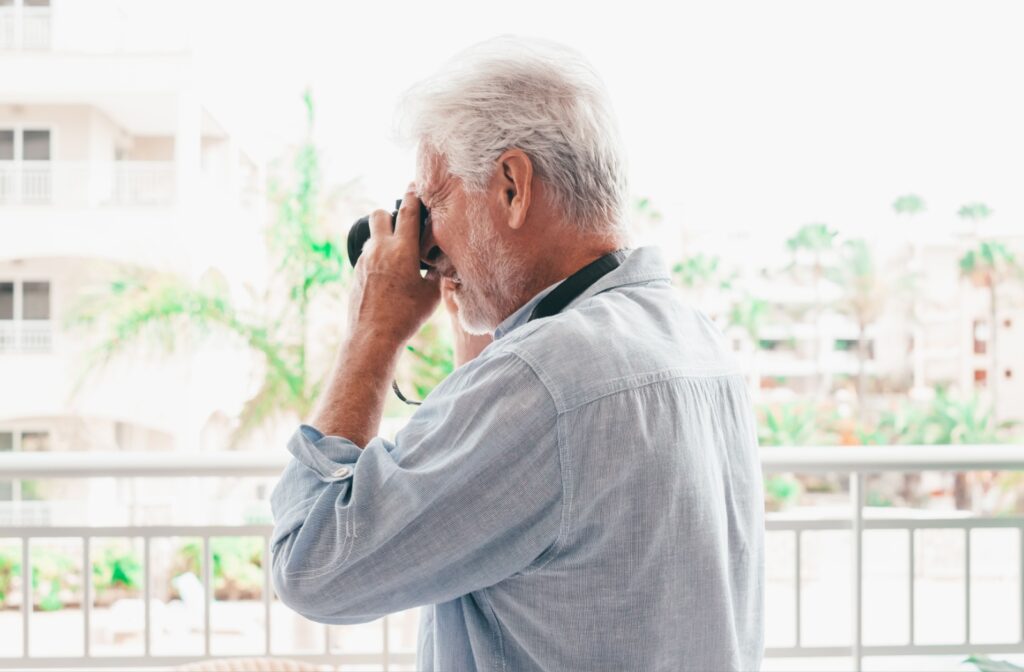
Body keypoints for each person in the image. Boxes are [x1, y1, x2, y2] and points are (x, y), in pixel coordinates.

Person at [269, 35, 764, 672]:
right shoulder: (693, 340)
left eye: (436, 201)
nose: (429, 236)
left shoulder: (544, 382)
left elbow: (312, 568)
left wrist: (371, 336)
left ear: (511, 187)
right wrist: (483, 321)